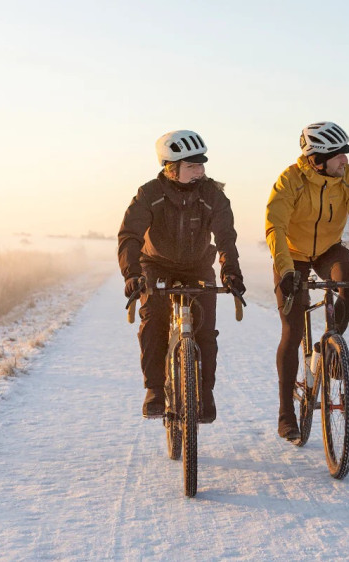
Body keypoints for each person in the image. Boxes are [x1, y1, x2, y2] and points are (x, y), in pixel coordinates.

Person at [264, 121, 349, 441]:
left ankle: (328, 345)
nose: (345, 160)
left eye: (346, 153)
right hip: (291, 254)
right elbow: (274, 226)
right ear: (318, 159)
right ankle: (286, 413)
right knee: (292, 329)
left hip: (328, 250)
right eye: (338, 155)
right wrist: (286, 270)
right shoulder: (289, 180)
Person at [118, 129, 246, 422]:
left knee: (205, 332)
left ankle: (205, 393)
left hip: (198, 266)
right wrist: (132, 274)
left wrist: (230, 271)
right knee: (153, 323)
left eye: (201, 165)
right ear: (171, 169)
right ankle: (154, 391)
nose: (199, 171)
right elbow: (130, 235)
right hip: (156, 264)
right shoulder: (149, 194)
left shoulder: (213, 195)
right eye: (192, 166)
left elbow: (226, 237)